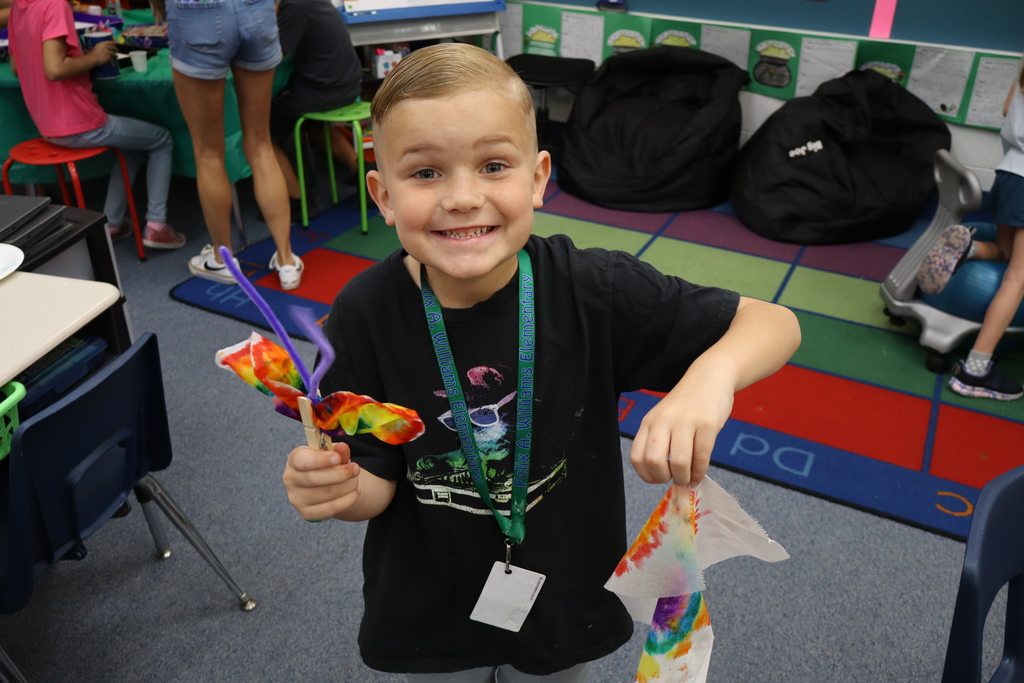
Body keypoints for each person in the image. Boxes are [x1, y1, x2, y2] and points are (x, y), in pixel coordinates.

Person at [280, 43, 801, 682]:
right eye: (425, 174)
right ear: (382, 195)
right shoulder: (364, 313)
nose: (463, 197)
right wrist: (337, 489)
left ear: (537, 178)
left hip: (562, 599)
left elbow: (774, 323)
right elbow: (375, 483)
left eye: (494, 165)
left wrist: (706, 383)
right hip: (428, 611)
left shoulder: (593, 288)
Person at [7, 0, 186, 248]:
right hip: (77, 122)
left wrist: (78, 50)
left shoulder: (19, 8)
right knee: (161, 139)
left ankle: (111, 222)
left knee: (132, 147)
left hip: (47, 124)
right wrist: (95, 56)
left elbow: (17, 67)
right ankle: (156, 224)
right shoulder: (56, 5)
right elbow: (55, 69)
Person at [152, 0, 304, 289]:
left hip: (196, 12)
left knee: (208, 153)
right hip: (255, 8)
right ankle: (286, 262)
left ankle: (223, 261)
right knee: (261, 146)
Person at [917, 54, 1024, 401]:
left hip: (1010, 173)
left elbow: (1008, 112)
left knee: (1008, 255)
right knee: (1017, 279)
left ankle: (971, 248)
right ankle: (975, 370)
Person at [269, 0, 362, 221]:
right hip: (348, 86)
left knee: (259, 134)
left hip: (321, 92)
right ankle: (360, 174)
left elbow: (272, 55)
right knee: (315, 125)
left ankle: (297, 200)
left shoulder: (294, 7)